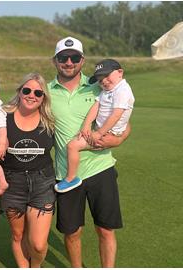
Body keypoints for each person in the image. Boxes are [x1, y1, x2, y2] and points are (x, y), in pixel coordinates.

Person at [48, 36, 131, 267]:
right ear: (55, 60)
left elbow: (124, 117)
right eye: (63, 58)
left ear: (82, 60)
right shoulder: (45, 92)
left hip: (101, 168)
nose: (69, 62)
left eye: (74, 57)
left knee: (105, 229)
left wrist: (120, 138)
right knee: (72, 232)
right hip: (67, 175)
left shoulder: (100, 85)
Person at [0, 73, 57, 267]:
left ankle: (35, 266)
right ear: (19, 92)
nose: (32, 95)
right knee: (18, 235)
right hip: (12, 183)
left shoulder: (49, 122)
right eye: (27, 90)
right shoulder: (2, 118)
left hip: (42, 182)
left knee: (38, 245)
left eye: (38, 93)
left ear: (43, 98)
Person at [54, 58, 135, 193]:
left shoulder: (122, 91)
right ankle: (71, 177)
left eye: (107, 76)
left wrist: (99, 133)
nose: (103, 81)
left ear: (120, 72)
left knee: (72, 145)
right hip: (101, 131)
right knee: (73, 145)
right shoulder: (107, 90)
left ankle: (70, 178)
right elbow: (96, 106)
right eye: (100, 79)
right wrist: (86, 126)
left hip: (107, 134)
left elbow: (116, 115)